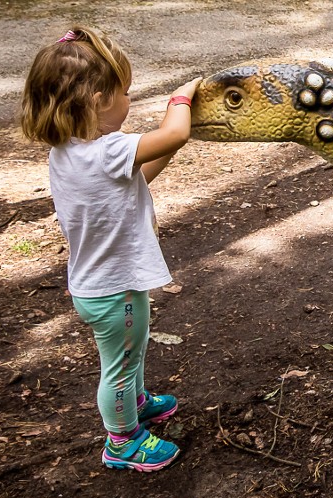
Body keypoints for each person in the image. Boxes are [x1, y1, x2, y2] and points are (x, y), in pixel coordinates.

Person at [20, 26, 202, 472]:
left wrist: (165, 147)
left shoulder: (67, 151)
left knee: (129, 352)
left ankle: (135, 403)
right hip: (113, 288)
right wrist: (180, 100)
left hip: (99, 284)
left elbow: (133, 179)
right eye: (125, 92)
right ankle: (122, 441)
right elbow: (174, 134)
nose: (128, 101)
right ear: (99, 99)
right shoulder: (108, 151)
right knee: (119, 365)